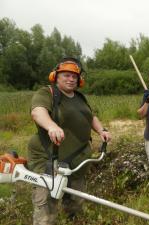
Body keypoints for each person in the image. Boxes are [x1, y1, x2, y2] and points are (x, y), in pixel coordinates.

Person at [28, 57, 111, 224]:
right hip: (50, 158)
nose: (71, 79)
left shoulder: (80, 98)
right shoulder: (48, 93)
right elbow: (38, 111)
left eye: (74, 76)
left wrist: (101, 130)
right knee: (47, 208)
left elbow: (91, 116)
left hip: (77, 161)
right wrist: (51, 126)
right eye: (66, 75)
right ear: (55, 76)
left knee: (75, 206)